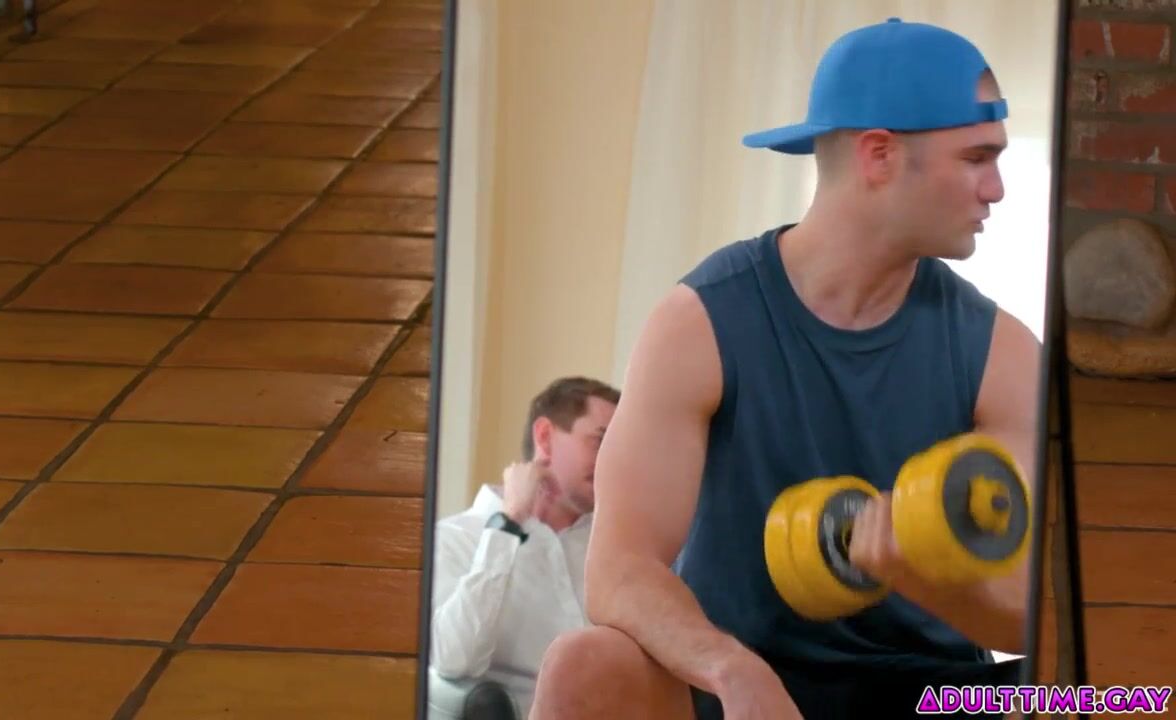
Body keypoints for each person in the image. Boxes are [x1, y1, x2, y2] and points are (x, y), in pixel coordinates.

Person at [528, 18, 1040, 720]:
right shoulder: (702, 322)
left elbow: (1033, 615)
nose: (997, 189)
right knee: (583, 666)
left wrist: (919, 576)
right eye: (977, 158)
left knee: (1105, 692)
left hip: (933, 695)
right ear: (879, 155)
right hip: (740, 682)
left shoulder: (1001, 353)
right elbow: (618, 570)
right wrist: (731, 669)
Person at [430, 376, 621, 719]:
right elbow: (455, 659)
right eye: (601, 441)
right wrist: (508, 524)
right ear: (545, 437)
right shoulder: (454, 539)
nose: (615, 461)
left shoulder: (610, 543)